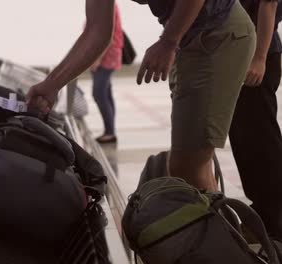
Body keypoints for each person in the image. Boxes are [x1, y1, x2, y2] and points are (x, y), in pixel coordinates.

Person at [26, 0, 255, 192]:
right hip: (190, 46)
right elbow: (97, 31)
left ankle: (216, 243)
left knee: (187, 167)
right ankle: (215, 238)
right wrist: (51, 84)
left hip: (220, 35)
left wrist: (168, 42)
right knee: (193, 164)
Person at [229, 0, 282, 240]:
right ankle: (263, 212)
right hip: (237, 53)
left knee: (261, 138)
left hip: (257, 55)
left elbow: (268, 4)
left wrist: (259, 57)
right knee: (244, 138)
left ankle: (275, 219)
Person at [90, 4, 123, 144]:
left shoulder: (105, 5)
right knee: (106, 93)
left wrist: (96, 58)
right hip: (109, 56)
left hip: (106, 58)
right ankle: (110, 130)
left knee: (98, 93)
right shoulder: (109, 5)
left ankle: (110, 132)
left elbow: (106, 35)